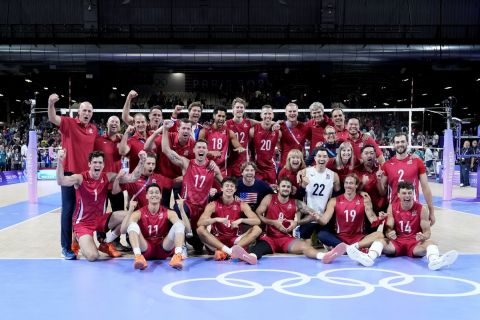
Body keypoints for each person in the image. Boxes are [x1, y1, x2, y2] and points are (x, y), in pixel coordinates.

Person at [56, 149, 146, 261]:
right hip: (83, 223)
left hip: (100, 220)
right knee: (93, 256)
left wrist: (142, 161)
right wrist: (60, 162)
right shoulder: (80, 178)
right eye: (94, 162)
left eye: (100, 162)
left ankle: (106, 242)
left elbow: (132, 178)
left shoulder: (107, 177)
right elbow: (61, 181)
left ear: (103, 165)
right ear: (89, 164)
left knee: (130, 216)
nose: (97, 165)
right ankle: (77, 239)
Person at [347, 182, 458, 271]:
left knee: (431, 243)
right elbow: (389, 227)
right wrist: (390, 233)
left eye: (410, 193)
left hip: (414, 244)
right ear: (398, 195)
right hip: (397, 243)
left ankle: (434, 261)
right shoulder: (392, 207)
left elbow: (427, 232)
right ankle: (369, 258)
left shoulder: (421, 209)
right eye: (404, 193)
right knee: (380, 240)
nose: (407, 196)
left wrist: (423, 237)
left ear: (413, 194)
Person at [250, 177, 347, 264]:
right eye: (283, 186)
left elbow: (313, 215)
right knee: (258, 249)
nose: (286, 188)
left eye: (288, 187)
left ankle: (324, 256)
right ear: (278, 188)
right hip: (269, 237)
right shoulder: (269, 198)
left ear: (291, 189)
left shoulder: (296, 203)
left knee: (305, 246)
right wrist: (273, 222)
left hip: (286, 239)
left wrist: (297, 222)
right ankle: (251, 257)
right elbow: (258, 214)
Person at [48, 93, 98, 259]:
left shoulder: (94, 129)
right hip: (69, 173)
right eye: (84, 110)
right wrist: (50, 103)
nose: (87, 113)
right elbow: (53, 118)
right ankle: (65, 247)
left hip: (85, 177)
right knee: (68, 210)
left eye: (89, 111)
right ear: (79, 112)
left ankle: (79, 241)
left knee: (83, 211)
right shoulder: (69, 123)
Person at [162, 120, 223, 252]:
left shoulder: (213, 167)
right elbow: (166, 150)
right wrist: (165, 130)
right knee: (177, 209)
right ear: (194, 150)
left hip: (202, 209)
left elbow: (226, 185)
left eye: (204, 148)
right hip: (187, 204)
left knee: (199, 247)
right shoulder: (186, 163)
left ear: (207, 151)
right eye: (199, 147)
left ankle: (198, 239)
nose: (201, 149)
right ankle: (181, 245)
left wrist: (216, 193)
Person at [309, 173, 386, 251]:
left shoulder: (364, 200)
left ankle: (348, 249)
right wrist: (318, 218)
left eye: (351, 183)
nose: (348, 185)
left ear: (356, 186)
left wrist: (380, 218)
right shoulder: (334, 201)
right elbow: (324, 221)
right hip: (340, 238)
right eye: (346, 183)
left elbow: (372, 219)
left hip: (359, 238)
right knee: (322, 235)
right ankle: (350, 249)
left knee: (379, 235)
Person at [120, 183, 186, 270]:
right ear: (146, 196)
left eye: (156, 192)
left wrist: (181, 210)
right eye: (151, 193)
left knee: (179, 225)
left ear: (161, 195)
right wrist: (130, 211)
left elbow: (187, 229)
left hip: (163, 249)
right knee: (132, 225)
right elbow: (123, 230)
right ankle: (138, 256)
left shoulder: (168, 212)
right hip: (146, 248)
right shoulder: (139, 213)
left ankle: (177, 256)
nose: (154, 194)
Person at [197, 177, 261, 264]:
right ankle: (230, 252)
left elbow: (257, 221)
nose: (229, 188)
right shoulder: (213, 205)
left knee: (257, 229)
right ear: (222, 188)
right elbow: (200, 223)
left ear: (235, 190)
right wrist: (216, 219)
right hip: (217, 241)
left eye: (232, 186)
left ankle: (233, 250)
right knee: (200, 229)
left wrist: (241, 220)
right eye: (227, 186)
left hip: (235, 240)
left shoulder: (242, 205)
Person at [378, 132, 435, 225]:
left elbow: (425, 188)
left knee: (418, 238)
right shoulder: (387, 165)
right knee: (390, 238)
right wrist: (378, 180)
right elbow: (382, 191)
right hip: (394, 211)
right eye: (397, 142)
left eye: (402, 141)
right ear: (393, 144)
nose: (400, 144)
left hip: (413, 210)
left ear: (407, 143)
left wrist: (431, 212)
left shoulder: (417, 162)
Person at [297, 147, 341, 242]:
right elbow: (299, 195)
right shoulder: (306, 172)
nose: (322, 159)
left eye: (325, 156)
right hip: (308, 216)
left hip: (324, 217)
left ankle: (346, 248)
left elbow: (337, 197)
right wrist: (303, 186)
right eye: (319, 156)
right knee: (304, 246)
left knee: (325, 239)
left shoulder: (334, 176)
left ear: (328, 159)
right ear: (315, 158)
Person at [198, 106, 245, 178]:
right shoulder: (204, 131)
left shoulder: (229, 132)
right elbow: (198, 151)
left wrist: (240, 149)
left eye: (223, 116)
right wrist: (210, 153)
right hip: (206, 168)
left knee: (222, 188)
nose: (221, 119)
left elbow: (238, 146)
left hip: (222, 170)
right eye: (219, 116)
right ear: (214, 116)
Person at [93, 116, 124, 212]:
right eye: (112, 121)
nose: (114, 123)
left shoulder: (123, 140)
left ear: (119, 126)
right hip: (101, 185)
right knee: (99, 215)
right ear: (107, 124)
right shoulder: (98, 140)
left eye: (117, 122)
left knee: (119, 216)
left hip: (117, 185)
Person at [249, 105, 281, 184]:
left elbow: (281, 147)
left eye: (269, 114)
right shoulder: (253, 130)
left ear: (273, 115)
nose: (267, 116)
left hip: (270, 167)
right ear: (261, 115)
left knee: (272, 192)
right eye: (265, 114)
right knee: (257, 193)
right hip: (256, 168)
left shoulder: (278, 132)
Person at [355, 144, 387, 213]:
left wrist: (379, 180)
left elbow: (383, 193)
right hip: (363, 209)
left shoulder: (382, 169)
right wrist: (362, 184)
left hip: (381, 209)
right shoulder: (356, 171)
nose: (369, 155)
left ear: (375, 155)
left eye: (372, 153)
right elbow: (353, 192)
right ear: (361, 155)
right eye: (366, 153)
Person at [278, 102, 311, 167]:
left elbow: (312, 140)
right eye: (290, 111)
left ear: (297, 113)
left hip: (299, 165)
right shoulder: (280, 126)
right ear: (286, 113)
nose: (292, 113)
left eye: (294, 111)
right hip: (284, 165)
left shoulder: (305, 127)